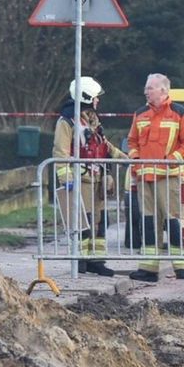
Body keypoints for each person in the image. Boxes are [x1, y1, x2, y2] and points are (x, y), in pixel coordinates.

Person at [126, 73, 184, 282]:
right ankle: (149, 269)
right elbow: (131, 142)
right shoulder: (140, 114)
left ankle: (182, 267)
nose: (146, 91)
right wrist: (137, 159)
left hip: (169, 177)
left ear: (163, 91)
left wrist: (170, 161)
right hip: (144, 178)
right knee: (149, 222)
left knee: (174, 220)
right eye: (146, 88)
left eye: (150, 88)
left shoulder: (180, 113)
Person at [52, 76, 126, 276]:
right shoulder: (66, 122)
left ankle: (97, 260)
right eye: (95, 97)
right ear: (86, 97)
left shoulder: (92, 120)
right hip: (81, 180)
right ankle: (80, 261)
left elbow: (103, 145)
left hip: (97, 179)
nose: (98, 101)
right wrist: (66, 178)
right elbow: (60, 152)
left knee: (100, 221)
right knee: (83, 221)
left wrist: (122, 157)